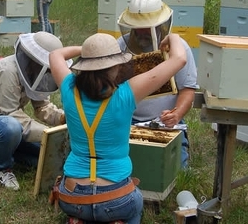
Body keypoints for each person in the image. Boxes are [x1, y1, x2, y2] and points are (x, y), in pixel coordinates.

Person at [49, 32, 187, 224]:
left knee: (84, 210)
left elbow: (55, 55)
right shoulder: (127, 93)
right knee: (135, 203)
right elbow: (179, 58)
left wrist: (89, 52)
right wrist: (173, 37)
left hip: (72, 198)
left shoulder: (68, 87)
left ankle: (81, 220)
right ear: (115, 66)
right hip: (116, 200)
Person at [0, 32, 71, 191]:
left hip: (12, 124)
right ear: (34, 59)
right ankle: (3, 169)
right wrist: (48, 133)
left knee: (47, 156)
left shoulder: (35, 72)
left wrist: (64, 118)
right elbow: (10, 113)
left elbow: (42, 106)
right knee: (11, 127)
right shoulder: (8, 70)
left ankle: (1, 151)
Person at [117, 0, 198, 169]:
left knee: (174, 169)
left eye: (147, 27)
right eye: (138, 26)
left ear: (161, 24)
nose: (142, 32)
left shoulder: (179, 49)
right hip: (126, 119)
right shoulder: (120, 46)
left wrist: (176, 114)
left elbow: (188, 89)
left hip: (165, 122)